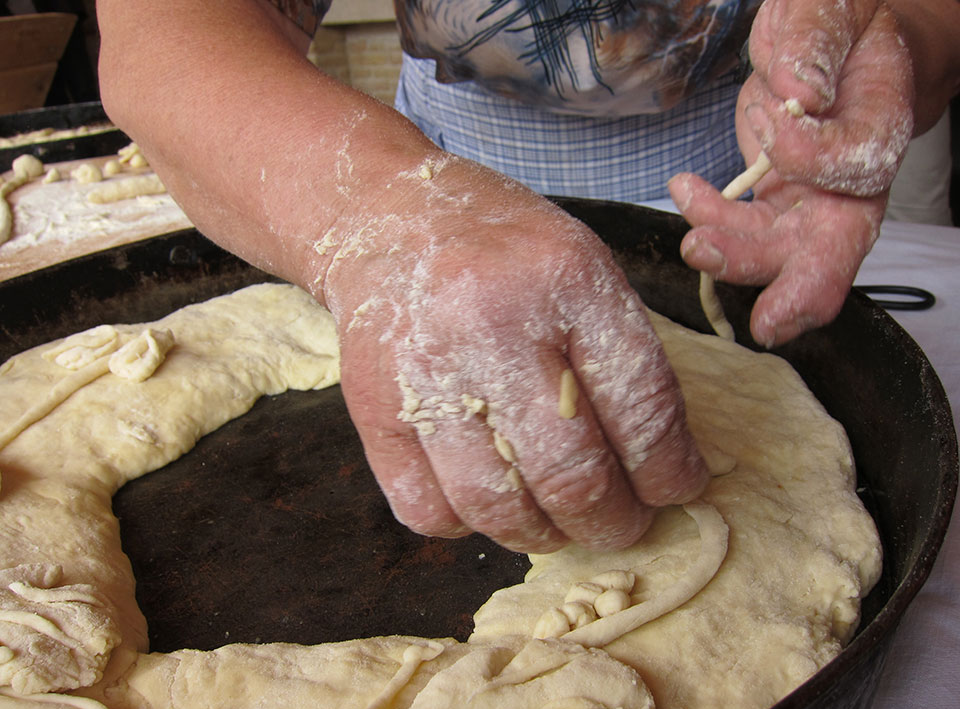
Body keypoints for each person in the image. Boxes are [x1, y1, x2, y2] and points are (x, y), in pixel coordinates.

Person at [94, 0, 959, 553]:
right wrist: (388, 222)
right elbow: (164, 33)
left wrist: (897, 40)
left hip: (750, 200)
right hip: (410, 182)